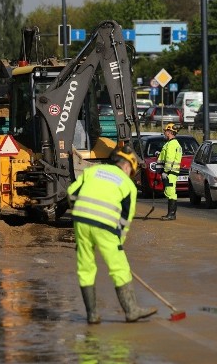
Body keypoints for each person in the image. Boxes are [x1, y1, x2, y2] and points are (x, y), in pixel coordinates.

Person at [67, 144, 157, 324]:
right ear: (127, 165)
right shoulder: (128, 185)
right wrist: (118, 244)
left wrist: (80, 222)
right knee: (119, 268)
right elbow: (125, 220)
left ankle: (92, 315)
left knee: (86, 268)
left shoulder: (93, 171)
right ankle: (131, 310)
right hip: (106, 225)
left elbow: (71, 193)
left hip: (81, 221)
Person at [157, 122, 182, 221]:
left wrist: (165, 172)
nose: (164, 133)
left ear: (169, 132)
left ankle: (171, 214)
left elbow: (169, 159)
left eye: (166, 131)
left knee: (170, 193)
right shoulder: (173, 143)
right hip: (172, 172)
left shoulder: (171, 144)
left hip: (170, 173)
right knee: (171, 192)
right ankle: (171, 214)